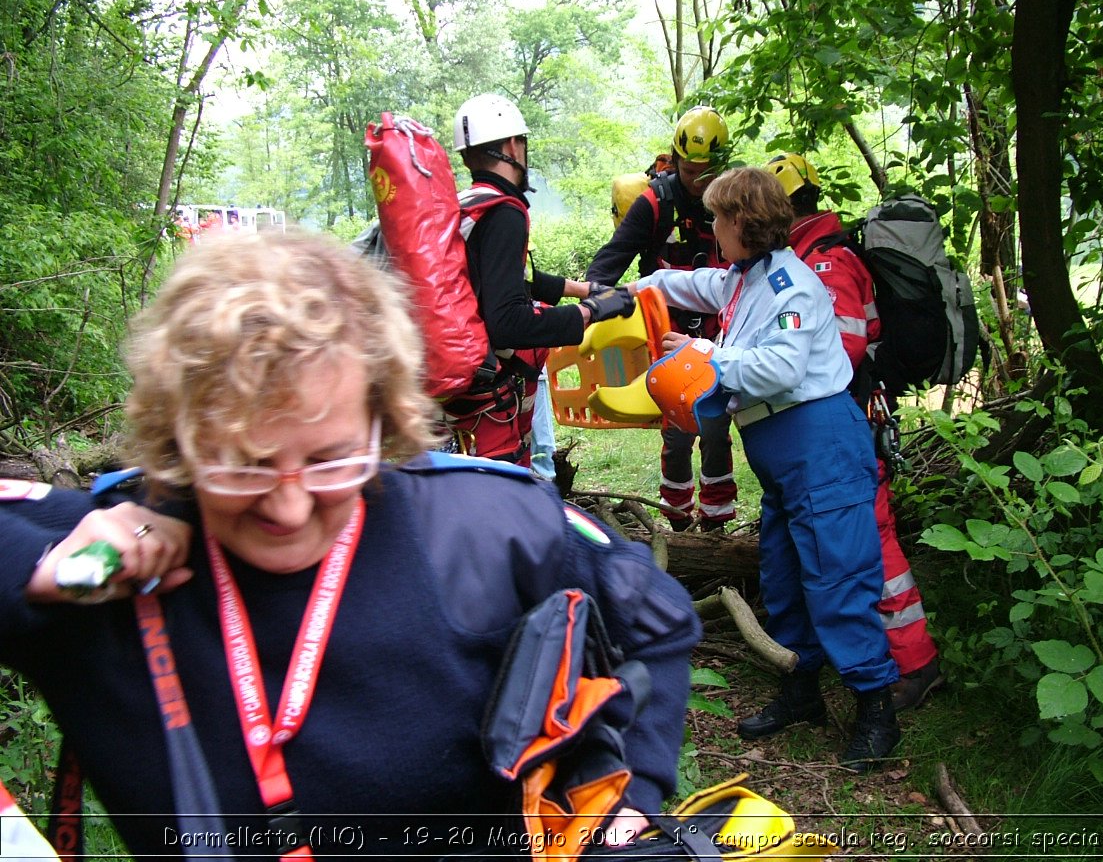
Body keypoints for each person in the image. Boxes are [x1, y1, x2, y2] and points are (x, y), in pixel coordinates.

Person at [0, 231, 699, 858]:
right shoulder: (117, 557)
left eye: (332, 459)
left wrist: (628, 800)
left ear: (381, 419)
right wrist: (37, 572)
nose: (289, 504)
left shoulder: (479, 525)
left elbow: (657, 619)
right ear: (178, 440)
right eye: (241, 463)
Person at [629, 167, 902, 770]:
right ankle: (802, 690)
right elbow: (700, 283)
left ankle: (876, 709)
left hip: (822, 448)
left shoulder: (793, 286)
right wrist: (642, 288)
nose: (711, 227)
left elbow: (777, 368)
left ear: (743, 222)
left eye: (719, 217)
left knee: (838, 578)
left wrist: (701, 354)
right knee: (784, 577)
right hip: (782, 459)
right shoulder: (743, 278)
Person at [767, 152, 945, 712]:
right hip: (836, 425)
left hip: (847, 423)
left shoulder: (825, 265)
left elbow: (844, 348)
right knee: (850, 541)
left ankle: (915, 665)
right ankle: (845, 658)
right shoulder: (810, 256)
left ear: (786, 208)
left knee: (875, 542)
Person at [447, 92, 633, 468]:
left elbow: (513, 279)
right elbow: (509, 322)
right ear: (514, 146)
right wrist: (590, 312)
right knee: (501, 488)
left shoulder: (467, 205)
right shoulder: (503, 212)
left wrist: (585, 290)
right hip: (486, 392)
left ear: (467, 156)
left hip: (452, 383)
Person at [586, 106, 737, 531]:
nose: (698, 180)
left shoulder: (733, 200)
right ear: (676, 161)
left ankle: (717, 522)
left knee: (713, 428)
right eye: (690, 171)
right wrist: (596, 308)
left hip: (716, 333)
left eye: (706, 172)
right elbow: (607, 264)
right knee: (676, 433)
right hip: (666, 333)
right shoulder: (656, 203)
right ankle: (679, 522)